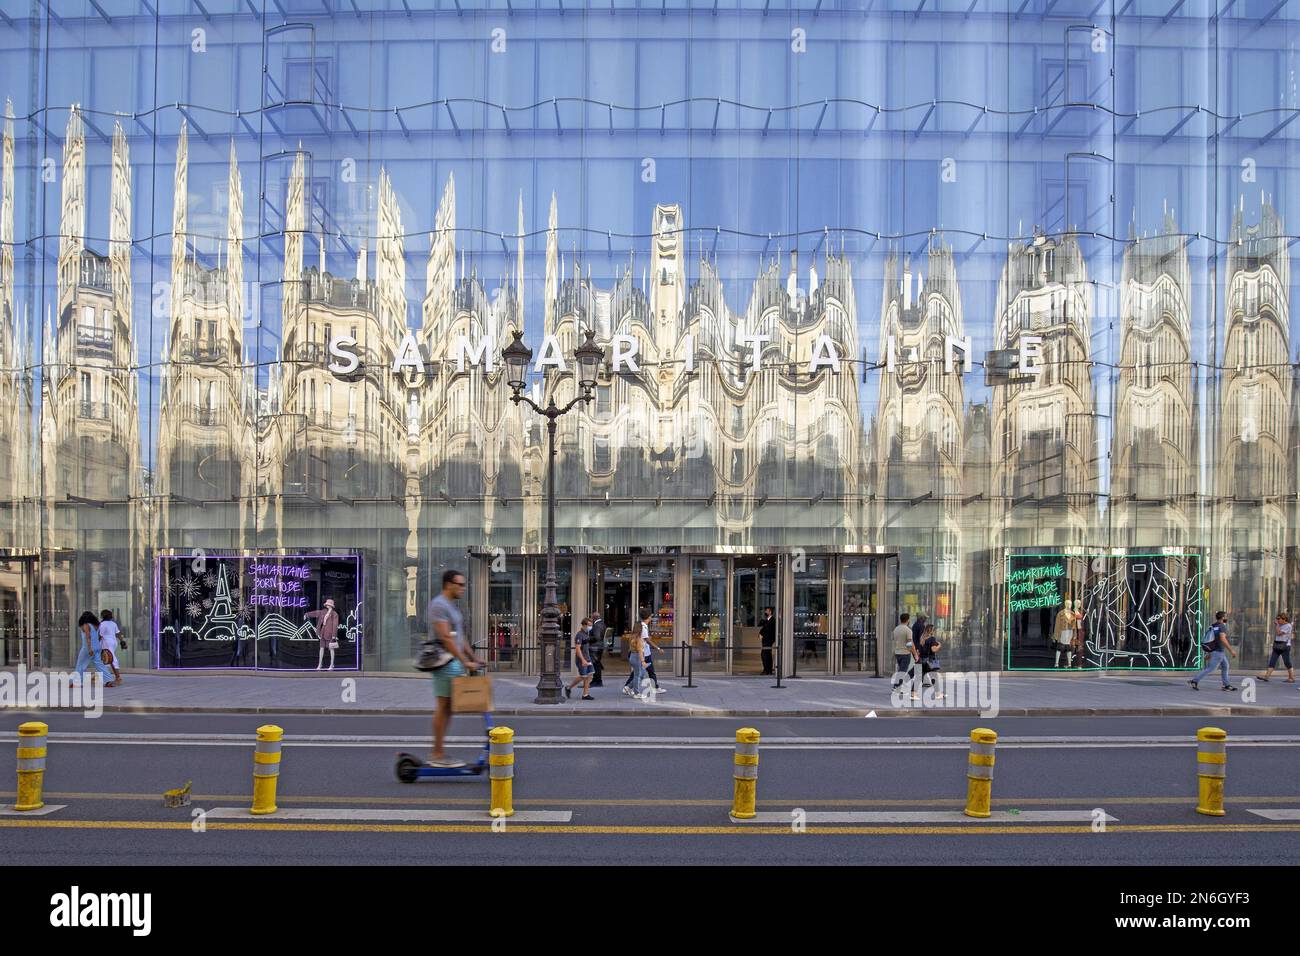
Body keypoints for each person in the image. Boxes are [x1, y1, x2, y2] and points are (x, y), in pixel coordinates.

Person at [427, 569, 483, 767]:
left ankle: (438, 752)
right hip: (445, 662)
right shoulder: (439, 605)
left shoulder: (452, 606)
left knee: (449, 708)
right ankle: (437, 753)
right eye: (460, 584)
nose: (463, 588)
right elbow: (445, 637)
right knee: (443, 707)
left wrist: (473, 657)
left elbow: (460, 637)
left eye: (464, 585)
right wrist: (463, 661)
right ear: (448, 584)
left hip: (455, 661)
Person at [1189, 610, 1236, 692]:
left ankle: (1226, 685)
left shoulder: (1214, 626)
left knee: (1225, 666)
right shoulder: (1222, 626)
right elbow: (1222, 639)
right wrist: (1231, 650)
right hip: (1218, 652)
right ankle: (1195, 681)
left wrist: (1210, 652)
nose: (1227, 618)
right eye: (1226, 617)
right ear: (1222, 618)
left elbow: (1212, 639)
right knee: (1210, 668)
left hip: (1216, 651)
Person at [71, 611, 117, 688]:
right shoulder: (97, 625)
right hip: (97, 647)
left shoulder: (86, 625)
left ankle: (77, 682)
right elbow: (99, 637)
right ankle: (108, 680)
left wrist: (90, 649)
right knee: (100, 665)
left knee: (81, 665)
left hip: (88, 648)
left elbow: (88, 637)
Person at [909, 624, 943, 701]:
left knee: (918, 677)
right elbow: (933, 649)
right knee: (934, 677)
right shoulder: (932, 639)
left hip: (921, 660)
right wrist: (939, 646)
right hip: (930, 661)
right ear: (931, 631)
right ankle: (938, 694)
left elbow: (918, 651)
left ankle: (913, 694)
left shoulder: (922, 639)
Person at [565, 617, 596, 701]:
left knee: (589, 675)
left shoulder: (586, 634)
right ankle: (569, 687)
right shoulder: (579, 635)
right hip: (581, 659)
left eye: (591, 625)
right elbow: (578, 649)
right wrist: (583, 660)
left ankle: (585, 694)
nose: (591, 627)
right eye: (589, 625)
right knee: (583, 676)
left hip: (587, 658)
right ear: (584, 625)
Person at [306, 598, 340, 670]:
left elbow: (335, 625)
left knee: (331, 649)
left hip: (330, 634)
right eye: (327, 604)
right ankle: (320, 664)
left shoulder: (334, 614)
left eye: (328, 604)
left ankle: (331, 664)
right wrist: (307, 614)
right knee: (321, 648)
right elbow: (315, 613)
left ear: (331, 606)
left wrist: (334, 636)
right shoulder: (323, 612)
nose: (327, 605)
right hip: (323, 632)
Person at [1260, 612, 1295, 683]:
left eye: (1279, 619)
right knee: (1272, 661)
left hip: (1285, 646)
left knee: (1287, 662)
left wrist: (1277, 625)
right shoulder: (1280, 625)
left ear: (1284, 619)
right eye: (1277, 619)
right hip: (1277, 645)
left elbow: (1279, 633)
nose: (1277, 620)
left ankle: (1291, 677)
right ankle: (1266, 676)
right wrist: (1278, 625)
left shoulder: (1288, 626)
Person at [97, 609, 123, 685]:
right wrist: (122, 641)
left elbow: (100, 635)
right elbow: (118, 633)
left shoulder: (102, 624)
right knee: (106, 658)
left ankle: (118, 677)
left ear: (102, 616)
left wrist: (95, 643)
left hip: (106, 643)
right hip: (113, 642)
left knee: (111, 658)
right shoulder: (113, 623)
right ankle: (102, 676)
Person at [891, 613, 914, 690]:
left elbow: (894, 641)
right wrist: (912, 651)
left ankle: (898, 685)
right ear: (908, 620)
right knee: (902, 670)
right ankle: (897, 686)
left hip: (897, 652)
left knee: (901, 669)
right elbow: (909, 643)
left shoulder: (896, 629)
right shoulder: (908, 630)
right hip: (905, 653)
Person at [624, 627, 646, 698]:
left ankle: (628, 687)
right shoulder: (639, 639)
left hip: (633, 656)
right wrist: (643, 661)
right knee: (638, 675)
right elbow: (640, 651)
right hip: (637, 657)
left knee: (641, 674)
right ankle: (637, 693)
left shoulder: (632, 637)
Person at [588, 612, 607, 687]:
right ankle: (596, 680)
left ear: (594, 618)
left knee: (596, 664)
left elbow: (597, 637)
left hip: (595, 647)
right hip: (599, 647)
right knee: (597, 664)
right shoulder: (602, 623)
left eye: (591, 618)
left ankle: (597, 681)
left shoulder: (596, 625)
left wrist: (587, 638)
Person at [759, 606, 776, 675]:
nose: (765, 612)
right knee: (767, 654)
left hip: (769, 640)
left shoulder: (772, 620)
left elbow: (767, 629)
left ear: (770, 612)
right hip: (766, 640)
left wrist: (762, 633)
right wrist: (760, 633)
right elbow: (763, 627)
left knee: (765, 654)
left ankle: (767, 670)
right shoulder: (767, 620)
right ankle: (768, 670)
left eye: (766, 611)